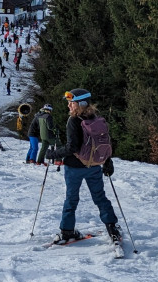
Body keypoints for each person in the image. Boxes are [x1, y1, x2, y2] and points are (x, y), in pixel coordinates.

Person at [46, 89, 120, 243]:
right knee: (100, 197)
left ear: (81, 103)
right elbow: (104, 142)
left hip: (74, 168)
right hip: (94, 166)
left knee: (71, 199)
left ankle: (67, 231)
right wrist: (107, 160)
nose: (69, 106)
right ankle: (112, 227)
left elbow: (72, 147)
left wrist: (53, 154)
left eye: (71, 103)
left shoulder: (73, 121)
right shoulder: (95, 119)